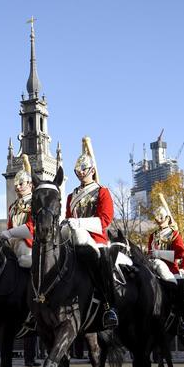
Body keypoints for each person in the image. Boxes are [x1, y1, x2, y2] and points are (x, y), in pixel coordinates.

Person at [63, 136, 126, 328]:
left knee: (103, 262)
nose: (81, 173)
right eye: (78, 171)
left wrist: (78, 222)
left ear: (92, 170)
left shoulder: (102, 192)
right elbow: (67, 217)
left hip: (96, 240)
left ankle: (110, 307)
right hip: (73, 240)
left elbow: (104, 221)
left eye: (84, 170)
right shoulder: (71, 196)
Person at [0, 154, 35, 268]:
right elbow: (11, 226)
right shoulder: (13, 207)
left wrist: (10, 234)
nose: (18, 187)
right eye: (16, 184)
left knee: (26, 259)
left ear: (30, 184)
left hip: (30, 243)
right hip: (13, 242)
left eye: (21, 184)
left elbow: (32, 227)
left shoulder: (35, 202)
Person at [148, 193, 184, 282]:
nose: (159, 221)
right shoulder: (153, 236)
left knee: (179, 287)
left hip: (171, 270)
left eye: (161, 218)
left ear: (167, 218)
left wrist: (159, 254)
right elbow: (149, 252)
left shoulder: (174, 234)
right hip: (153, 269)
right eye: (157, 219)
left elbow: (180, 254)